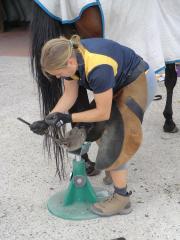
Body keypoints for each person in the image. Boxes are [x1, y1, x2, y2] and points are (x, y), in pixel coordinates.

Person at [30, 35, 156, 216]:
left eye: (58, 73)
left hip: (137, 80)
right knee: (94, 128)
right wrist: (48, 119)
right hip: (116, 82)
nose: (57, 76)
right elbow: (69, 95)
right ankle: (114, 171)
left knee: (115, 138)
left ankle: (122, 199)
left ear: (70, 62)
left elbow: (102, 113)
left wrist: (67, 118)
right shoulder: (70, 57)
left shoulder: (98, 68)